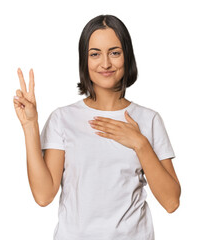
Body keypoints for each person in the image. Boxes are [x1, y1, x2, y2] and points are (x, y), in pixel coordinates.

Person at [13, 14, 181, 240]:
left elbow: (171, 202)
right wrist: (30, 125)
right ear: (84, 60)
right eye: (95, 54)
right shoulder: (62, 118)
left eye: (115, 52)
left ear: (127, 57)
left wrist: (139, 143)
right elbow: (43, 196)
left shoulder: (149, 119)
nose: (105, 63)